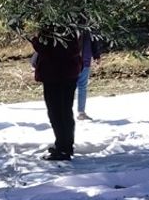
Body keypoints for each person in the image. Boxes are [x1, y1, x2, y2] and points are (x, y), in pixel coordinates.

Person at [30, 25, 83, 160]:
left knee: (57, 112)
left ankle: (63, 148)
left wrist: (35, 41)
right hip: (68, 73)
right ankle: (65, 145)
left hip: (54, 74)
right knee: (65, 111)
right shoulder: (71, 27)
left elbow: (47, 50)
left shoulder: (54, 28)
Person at [76, 28, 102, 121]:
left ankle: (79, 112)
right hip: (80, 61)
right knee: (81, 87)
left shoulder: (68, 23)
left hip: (78, 61)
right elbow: (94, 41)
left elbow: (94, 41)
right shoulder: (89, 25)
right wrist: (96, 56)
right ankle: (81, 112)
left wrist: (96, 56)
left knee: (78, 87)